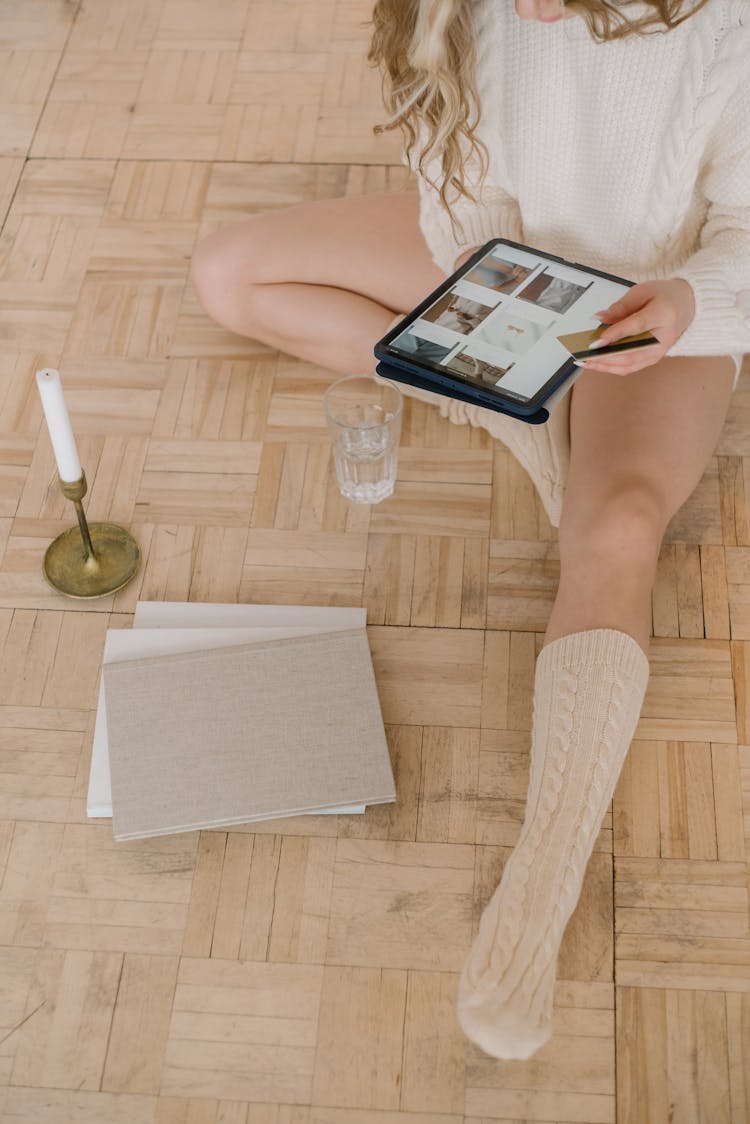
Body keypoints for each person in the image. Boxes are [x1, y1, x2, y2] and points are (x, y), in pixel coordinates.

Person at [191, 0, 750, 1060]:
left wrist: (684, 303)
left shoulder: (729, 30)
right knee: (229, 273)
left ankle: (541, 883)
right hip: (510, 261)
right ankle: (511, 403)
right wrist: (497, 311)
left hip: (661, 298)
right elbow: (468, 180)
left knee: (620, 524)